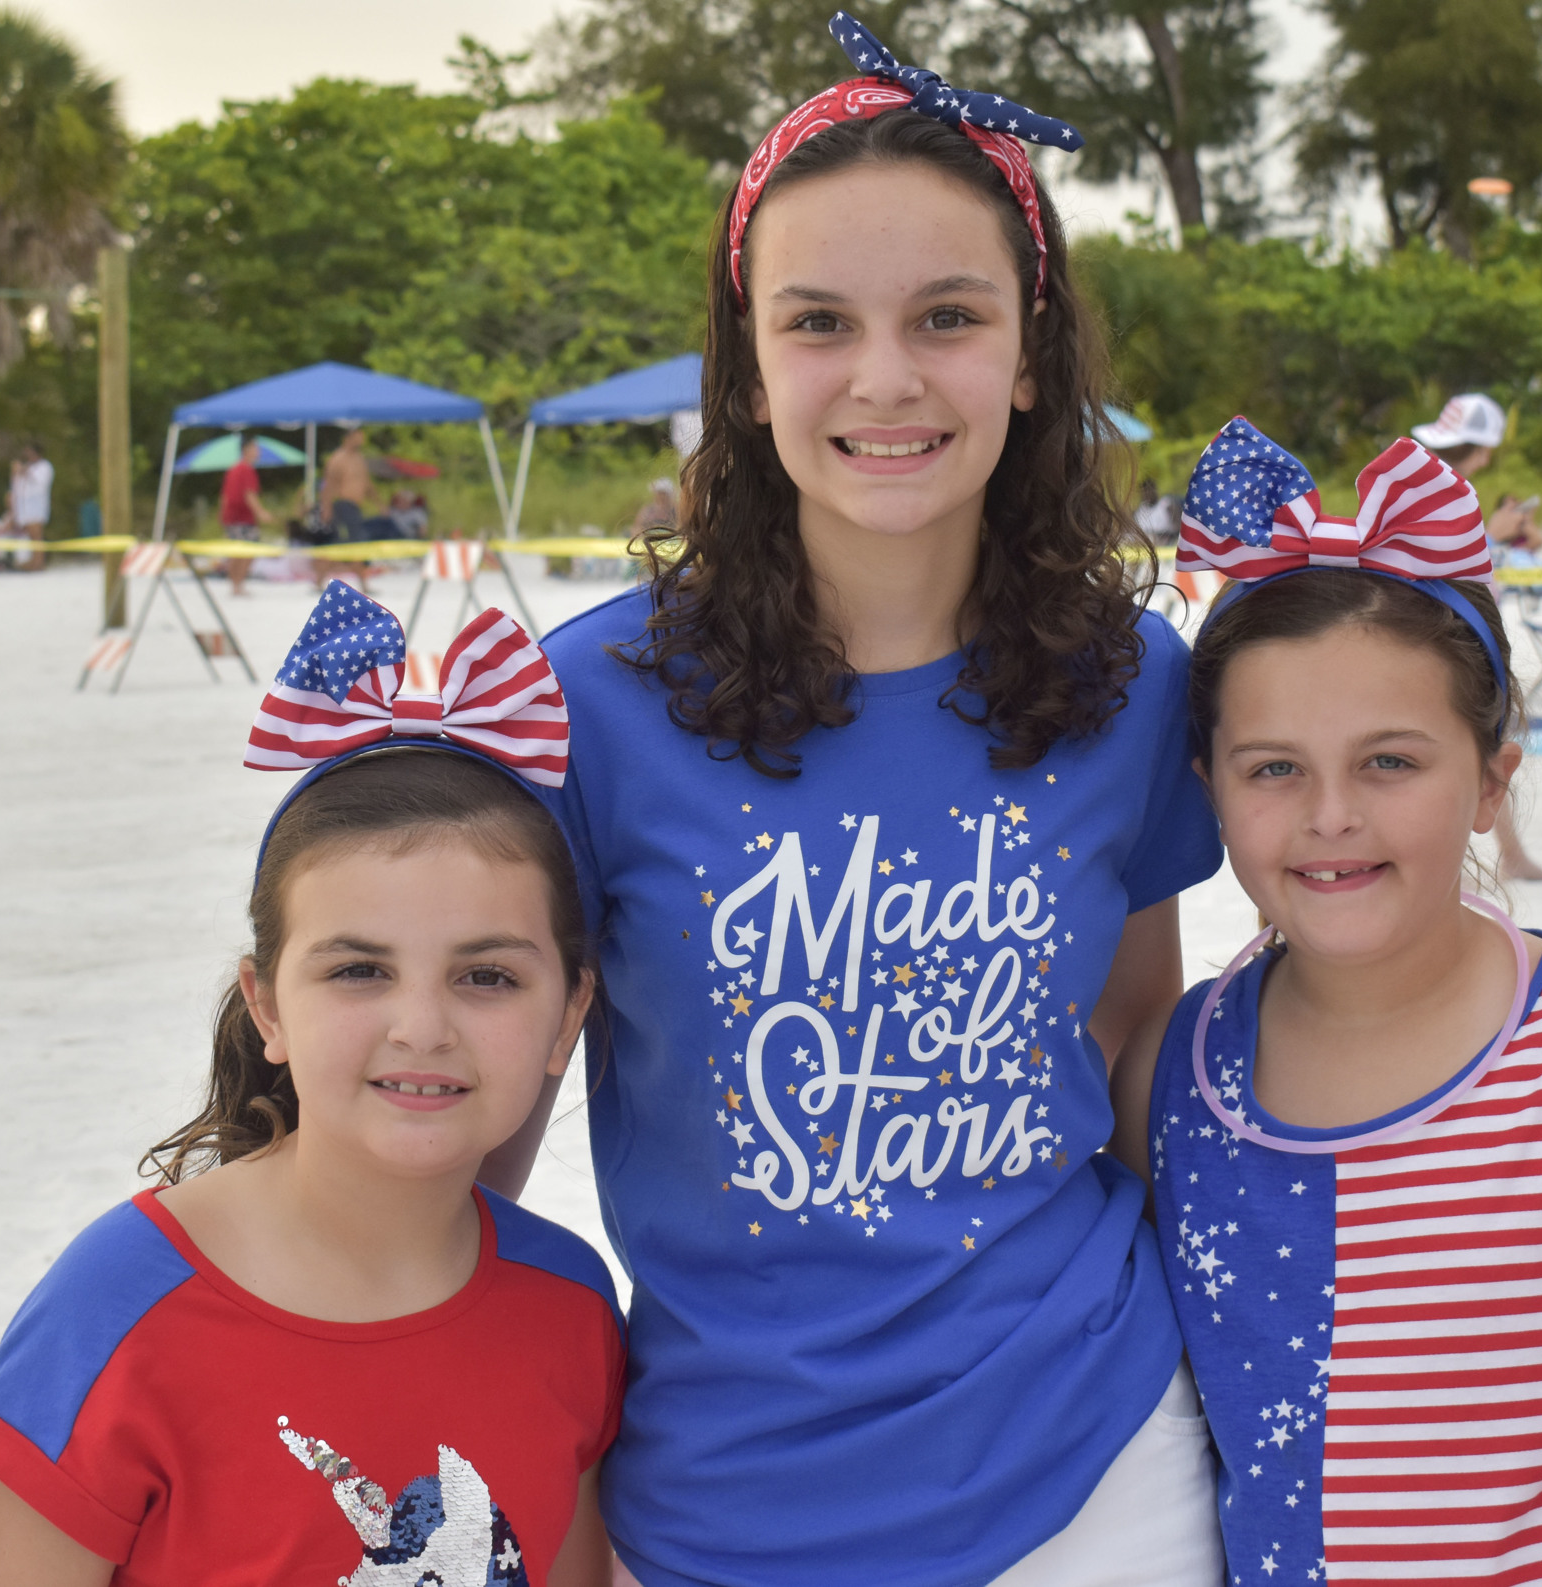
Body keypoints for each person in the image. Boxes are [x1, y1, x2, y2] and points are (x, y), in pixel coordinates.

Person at [518, 15, 1225, 1587]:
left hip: (1100, 1469)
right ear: (750, 369)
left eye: (949, 316)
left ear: (1030, 353)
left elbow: (1133, 1042)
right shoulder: (586, 706)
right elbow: (470, 1132)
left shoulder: (1133, 681)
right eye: (821, 321)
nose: (887, 377)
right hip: (717, 1499)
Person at [1109, 417, 1542, 1586]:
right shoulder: (1172, 1082)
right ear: (1208, 791)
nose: (1329, 813)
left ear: (1491, 779)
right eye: (1273, 768)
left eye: (1389, 761)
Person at [0, 588, 621, 1587]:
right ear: (266, 1007)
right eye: (358, 969)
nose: (421, 1027)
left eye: (487, 976)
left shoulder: (570, 1307)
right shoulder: (116, 1309)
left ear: (568, 1014)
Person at [1412, 392, 1542, 880]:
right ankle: (1499, 857)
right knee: (1474, 748)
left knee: (1467, 749)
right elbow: (1455, 572)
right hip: (1453, 641)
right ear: (1484, 449)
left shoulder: (1423, 484)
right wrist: (1494, 535)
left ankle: (1509, 854)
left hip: (1434, 639)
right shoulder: (1450, 495)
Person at [319, 428, 375, 591]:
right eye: (358, 435)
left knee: (354, 543)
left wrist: (378, 503)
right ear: (348, 438)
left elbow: (366, 483)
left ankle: (362, 582)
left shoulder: (359, 458)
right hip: (342, 505)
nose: (361, 439)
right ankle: (362, 582)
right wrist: (326, 507)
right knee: (347, 544)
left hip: (355, 506)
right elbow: (329, 485)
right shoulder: (338, 459)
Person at [219, 436, 268, 596]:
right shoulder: (246, 469)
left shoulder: (233, 469)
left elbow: (225, 496)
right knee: (247, 551)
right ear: (247, 450)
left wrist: (222, 515)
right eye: (256, 448)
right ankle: (237, 584)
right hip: (242, 517)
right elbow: (249, 495)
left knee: (237, 551)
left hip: (232, 516)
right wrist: (261, 512)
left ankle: (235, 585)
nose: (258, 452)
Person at [8, 442, 54, 572]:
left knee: (37, 535)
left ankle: (39, 562)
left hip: (37, 507)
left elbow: (40, 483)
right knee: (30, 535)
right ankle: (33, 560)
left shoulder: (45, 467)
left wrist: (24, 471)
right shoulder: (28, 466)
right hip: (24, 508)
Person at [1134, 477, 1178, 544]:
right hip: (1144, 542)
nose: (1147, 494)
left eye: (1149, 491)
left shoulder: (1167, 505)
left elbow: (1178, 528)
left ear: (1155, 490)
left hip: (1165, 541)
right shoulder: (1139, 510)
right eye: (1144, 492)